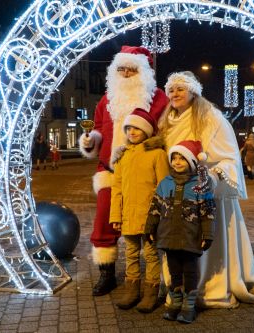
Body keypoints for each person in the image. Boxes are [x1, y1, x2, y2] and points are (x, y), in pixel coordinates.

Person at [158, 71, 254, 308]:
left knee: (209, 241)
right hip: (180, 194)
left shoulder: (211, 118)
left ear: (193, 91)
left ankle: (208, 287)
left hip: (209, 193)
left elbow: (229, 157)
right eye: (171, 90)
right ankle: (181, 288)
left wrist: (213, 178)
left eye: (180, 89)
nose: (174, 94)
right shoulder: (166, 121)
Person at [79, 46, 169, 296]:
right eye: (122, 69)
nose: (127, 74)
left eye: (133, 69)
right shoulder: (106, 100)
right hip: (110, 171)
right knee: (104, 223)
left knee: (148, 224)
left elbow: (168, 131)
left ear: (144, 71)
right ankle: (107, 275)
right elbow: (97, 129)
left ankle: (154, 279)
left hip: (144, 173)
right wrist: (90, 141)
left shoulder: (159, 98)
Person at [145, 140, 216, 324]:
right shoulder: (164, 183)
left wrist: (207, 235)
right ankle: (175, 304)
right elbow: (155, 207)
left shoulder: (201, 184)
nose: (177, 162)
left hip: (190, 237)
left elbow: (208, 212)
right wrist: (150, 227)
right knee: (174, 271)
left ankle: (189, 306)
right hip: (168, 236)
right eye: (174, 158)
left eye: (182, 158)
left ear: (192, 162)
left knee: (190, 272)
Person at [109, 108, 169, 313]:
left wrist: (161, 215)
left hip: (150, 216)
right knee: (131, 253)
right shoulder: (123, 156)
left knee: (152, 255)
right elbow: (116, 189)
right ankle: (131, 292)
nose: (132, 132)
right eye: (129, 128)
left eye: (137, 128)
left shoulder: (157, 154)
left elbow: (164, 187)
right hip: (128, 215)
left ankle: (151, 293)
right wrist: (115, 216)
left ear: (147, 130)